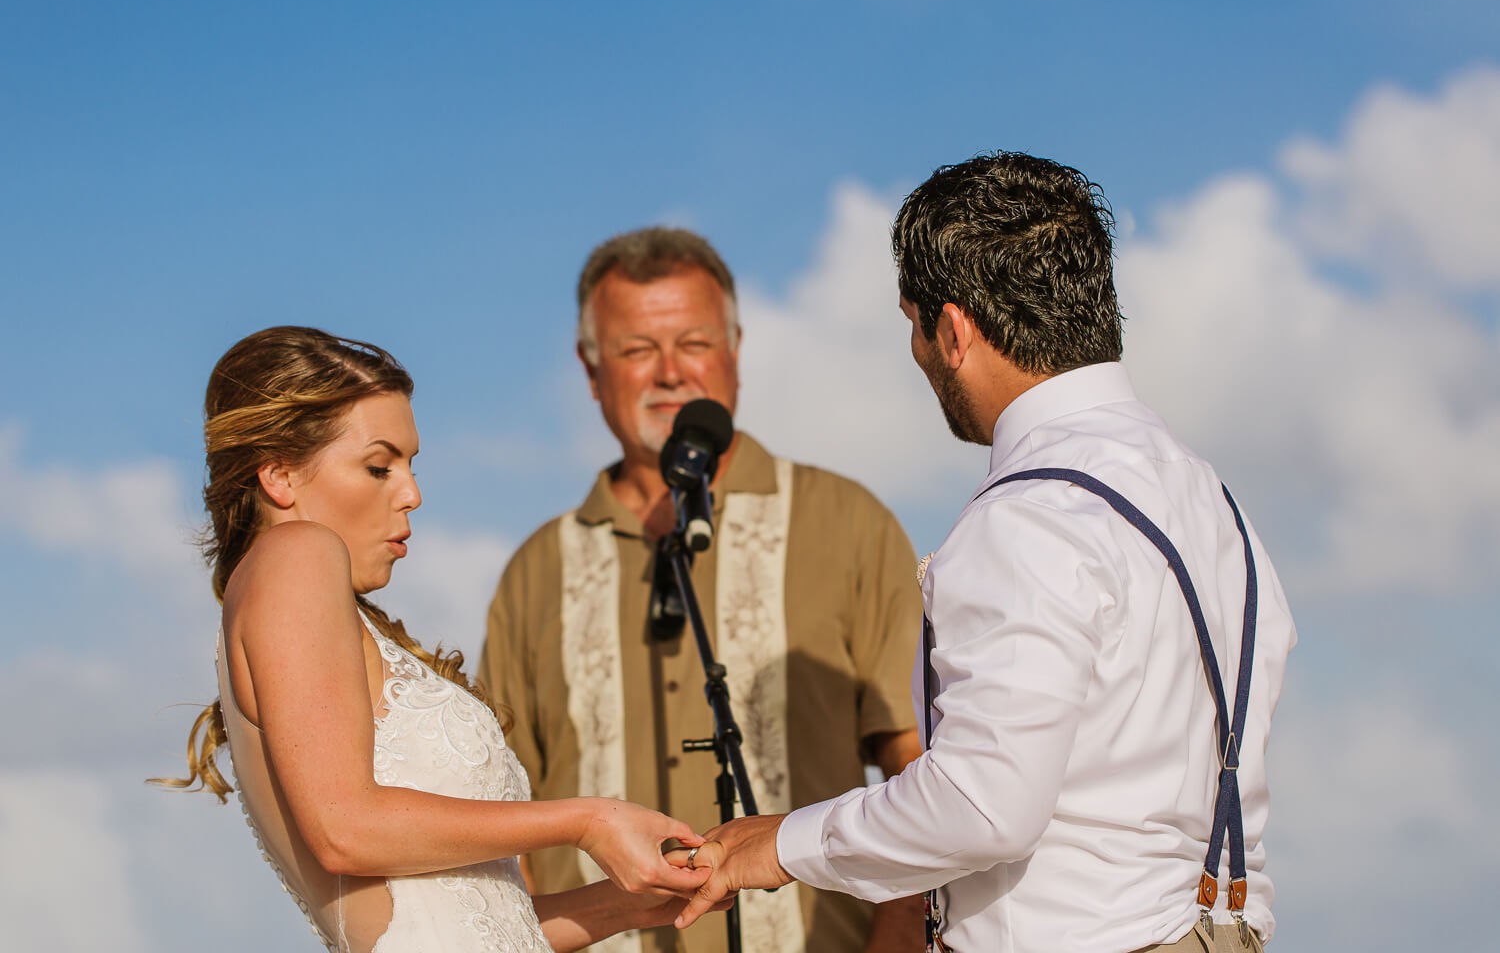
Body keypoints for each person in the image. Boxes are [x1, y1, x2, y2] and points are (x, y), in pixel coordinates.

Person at [674, 152, 1298, 953]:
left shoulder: (1027, 517)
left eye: (913, 325)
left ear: (953, 329)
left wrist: (783, 845)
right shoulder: (1217, 505)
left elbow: (983, 805)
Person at [154, 326, 721, 953]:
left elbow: (464, 925)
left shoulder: (310, 601)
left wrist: (628, 902)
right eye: (378, 466)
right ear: (280, 476)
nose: (412, 494)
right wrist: (588, 820)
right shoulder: (295, 554)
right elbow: (345, 827)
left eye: (410, 465)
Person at [480, 228, 926, 953]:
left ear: (736, 351)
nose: (669, 373)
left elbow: (916, 768)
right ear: (590, 371)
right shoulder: (535, 572)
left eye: (693, 343)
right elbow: (502, 819)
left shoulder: (846, 522)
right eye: (635, 350)